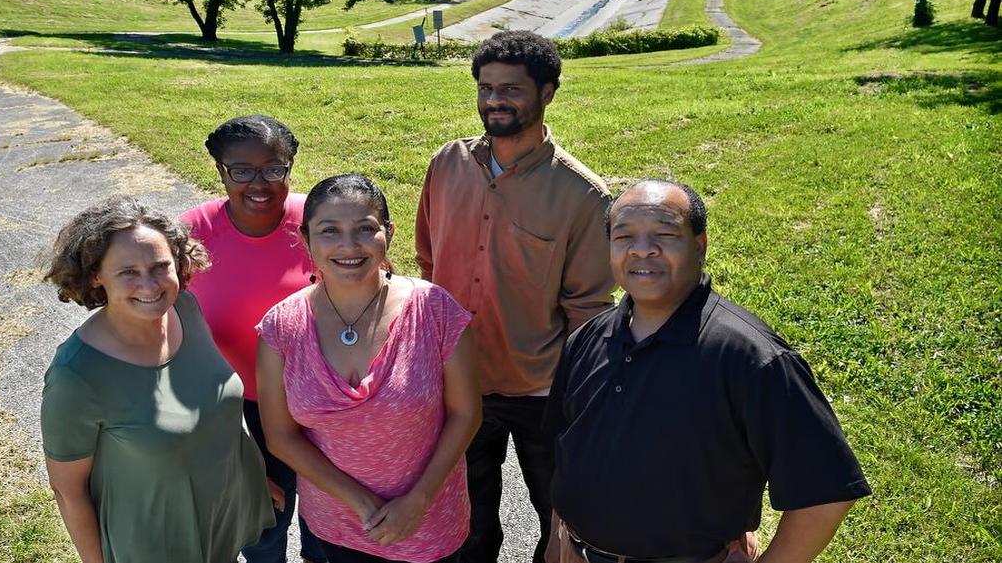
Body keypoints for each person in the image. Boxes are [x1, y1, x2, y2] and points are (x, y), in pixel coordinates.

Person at [544, 180, 871, 563]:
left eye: (665, 234)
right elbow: (564, 452)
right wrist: (556, 542)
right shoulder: (587, 340)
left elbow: (826, 493)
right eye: (624, 236)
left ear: (699, 246)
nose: (642, 249)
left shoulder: (750, 358)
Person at [415, 30, 614, 563]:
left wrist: (580, 398)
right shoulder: (447, 164)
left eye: (511, 89)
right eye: (485, 87)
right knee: (466, 523)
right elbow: (428, 264)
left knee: (558, 521)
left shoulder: (581, 194)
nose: (495, 100)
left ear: (547, 92)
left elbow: (589, 309)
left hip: (541, 392)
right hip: (459, 383)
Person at [258, 174, 481, 563]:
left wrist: (417, 501)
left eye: (365, 228)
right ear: (305, 238)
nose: (349, 245)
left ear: (389, 234)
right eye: (330, 230)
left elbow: (465, 415)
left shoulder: (436, 309)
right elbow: (281, 437)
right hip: (336, 527)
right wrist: (362, 503)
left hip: (427, 524)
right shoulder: (282, 326)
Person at [40, 195, 274, 563]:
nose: (149, 286)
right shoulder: (77, 376)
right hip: (154, 543)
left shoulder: (186, 308)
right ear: (96, 276)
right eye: (128, 272)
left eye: (159, 266)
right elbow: (68, 491)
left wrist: (251, 477)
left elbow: (214, 410)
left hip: (220, 519)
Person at [181, 114, 328, 563]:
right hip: (239, 407)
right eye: (240, 170)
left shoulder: (320, 218)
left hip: (325, 397)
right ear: (220, 171)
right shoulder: (190, 234)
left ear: (290, 166)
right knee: (263, 524)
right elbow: (166, 334)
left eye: (273, 168)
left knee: (330, 523)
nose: (258, 183)